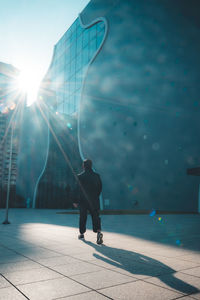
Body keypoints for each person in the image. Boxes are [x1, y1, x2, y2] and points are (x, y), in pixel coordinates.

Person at [73, 159, 103, 244]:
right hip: (94, 200)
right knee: (96, 217)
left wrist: (75, 201)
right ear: (91, 165)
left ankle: (82, 233)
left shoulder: (80, 176)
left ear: (83, 166)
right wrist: (95, 196)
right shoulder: (97, 176)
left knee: (83, 217)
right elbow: (100, 188)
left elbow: (76, 189)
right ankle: (98, 232)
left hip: (83, 201)